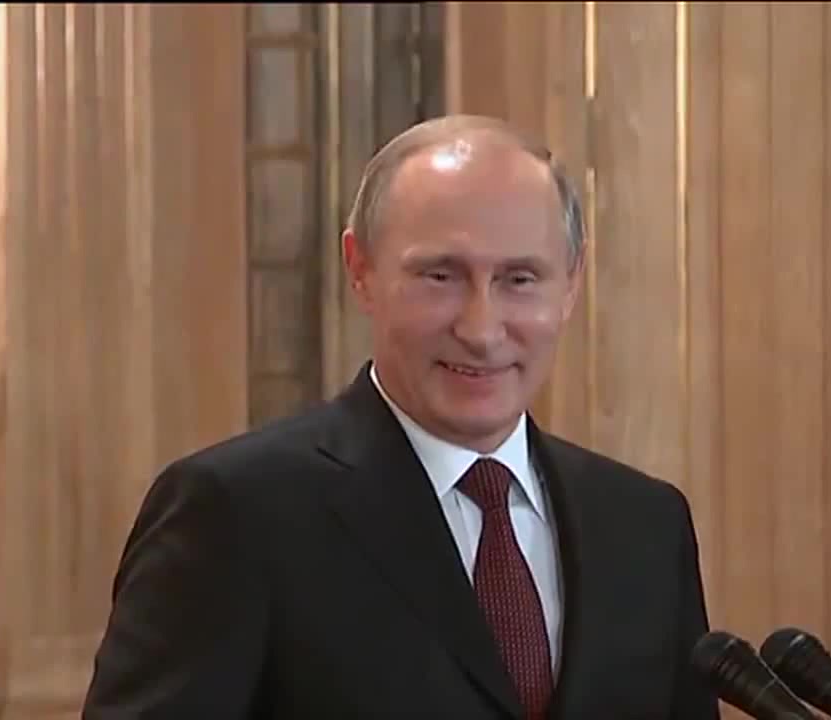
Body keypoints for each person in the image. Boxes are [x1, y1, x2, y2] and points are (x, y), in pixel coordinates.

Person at [82, 115, 720, 719]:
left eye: (520, 280)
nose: (481, 330)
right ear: (360, 270)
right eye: (440, 276)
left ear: (572, 283)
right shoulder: (235, 513)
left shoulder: (647, 525)